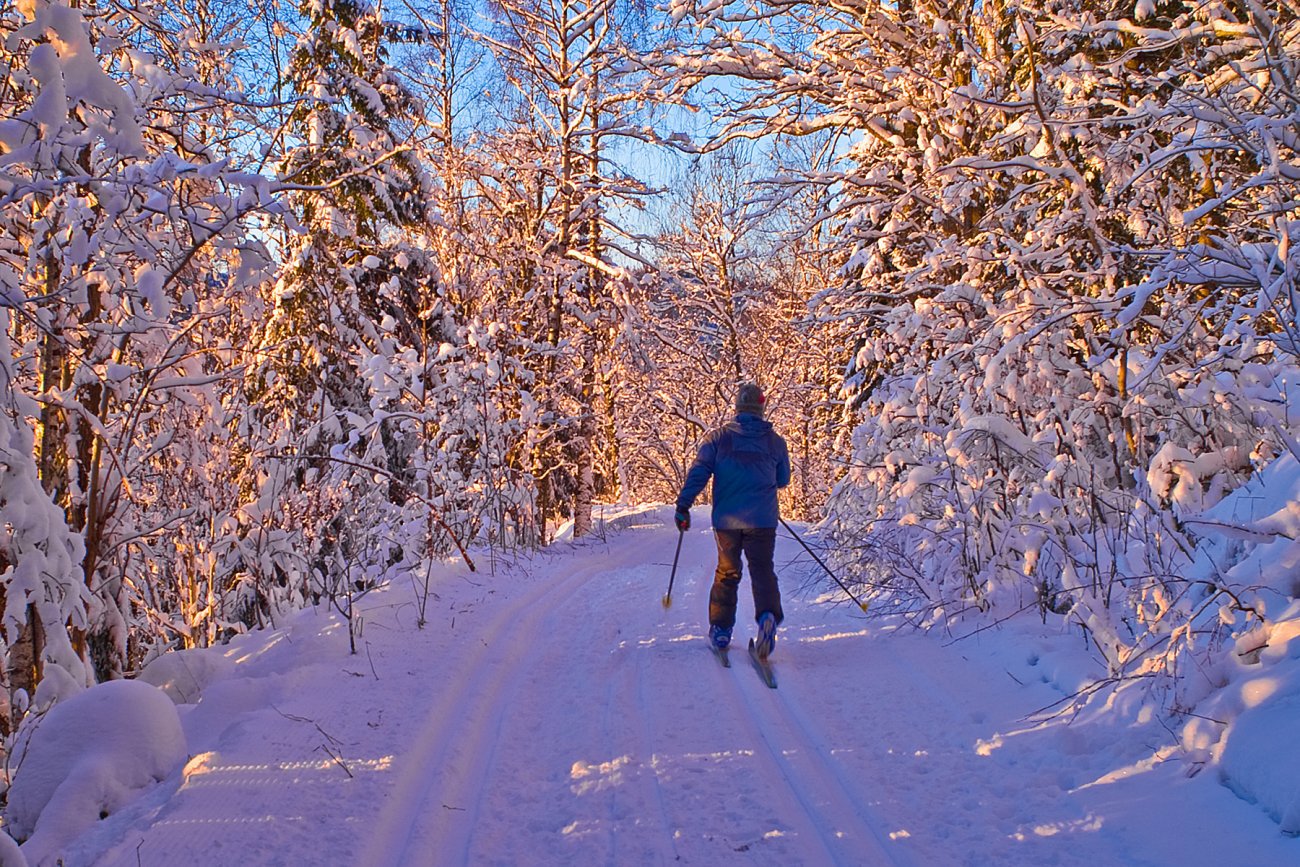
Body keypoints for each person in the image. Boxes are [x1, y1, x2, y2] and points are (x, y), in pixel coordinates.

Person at [674, 382, 791, 658]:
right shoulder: (775, 442)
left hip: (727, 521)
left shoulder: (718, 439)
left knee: (728, 573)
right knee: (762, 570)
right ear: (761, 409)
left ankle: (721, 630)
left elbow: (699, 472)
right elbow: (783, 480)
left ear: (737, 408)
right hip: (763, 520)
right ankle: (767, 618)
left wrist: (683, 506)